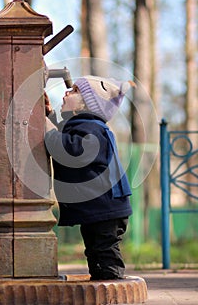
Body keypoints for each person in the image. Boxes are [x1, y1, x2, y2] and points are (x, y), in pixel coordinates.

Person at [44, 75, 135, 280]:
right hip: (100, 208)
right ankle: (101, 280)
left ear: (87, 104)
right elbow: (67, 138)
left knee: (104, 250)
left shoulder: (93, 128)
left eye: (75, 90)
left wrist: (47, 130)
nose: (67, 92)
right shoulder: (85, 126)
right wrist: (48, 117)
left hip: (105, 209)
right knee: (94, 250)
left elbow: (72, 150)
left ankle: (111, 284)